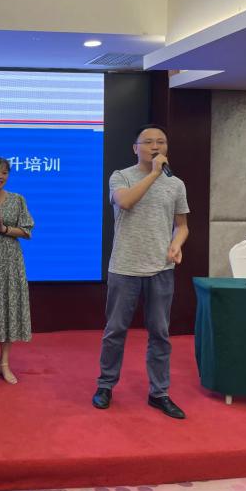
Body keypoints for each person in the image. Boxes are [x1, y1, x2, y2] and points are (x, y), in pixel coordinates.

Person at [92, 124, 190, 419]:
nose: (155, 146)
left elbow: (182, 226)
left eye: (161, 141)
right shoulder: (120, 176)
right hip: (125, 267)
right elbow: (125, 202)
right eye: (148, 142)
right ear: (135, 148)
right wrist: (154, 174)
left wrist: (176, 244)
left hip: (161, 268)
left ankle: (159, 393)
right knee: (115, 331)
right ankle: (105, 385)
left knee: (160, 333)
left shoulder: (176, 184)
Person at [0, 157, 34, 385]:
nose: (0, 176)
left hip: (11, 260)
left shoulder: (17, 199)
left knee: (8, 307)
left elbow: (27, 231)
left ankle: (4, 361)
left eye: (4, 172)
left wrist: (3, 228)